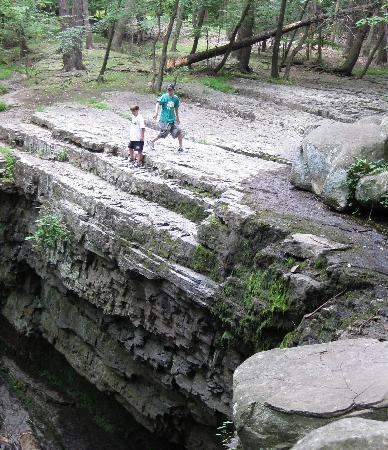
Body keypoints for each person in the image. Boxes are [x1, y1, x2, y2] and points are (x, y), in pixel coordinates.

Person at [148, 83, 184, 152]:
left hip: (172, 119)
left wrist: (177, 117)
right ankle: (151, 141)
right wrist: (156, 112)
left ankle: (180, 147)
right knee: (164, 133)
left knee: (179, 131)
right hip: (164, 119)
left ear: (174, 90)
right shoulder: (164, 96)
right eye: (168, 90)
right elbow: (157, 103)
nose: (169, 91)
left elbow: (176, 108)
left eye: (170, 90)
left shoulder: (176, 98)